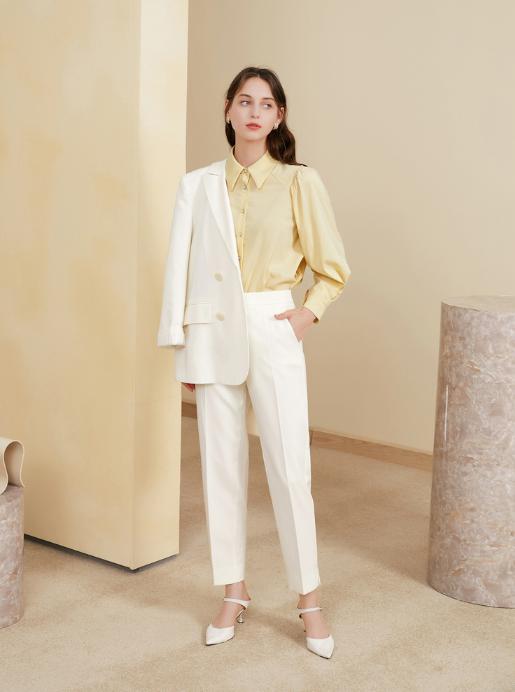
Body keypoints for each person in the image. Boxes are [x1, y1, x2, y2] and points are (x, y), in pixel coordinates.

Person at [157, 66, 351, 659]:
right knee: (220, 467)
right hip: (212, 332)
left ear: (278, 117)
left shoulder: (299, 181)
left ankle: (309, 599)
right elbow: (180, 269)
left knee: (291, 469)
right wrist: (183, 349)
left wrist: (305, 315)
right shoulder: (197, 185)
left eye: (266, 104)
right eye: (245, 101)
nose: (254, 112)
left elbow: (332, 267)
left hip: (272, 323)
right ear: (228, 109)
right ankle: (233, 591)